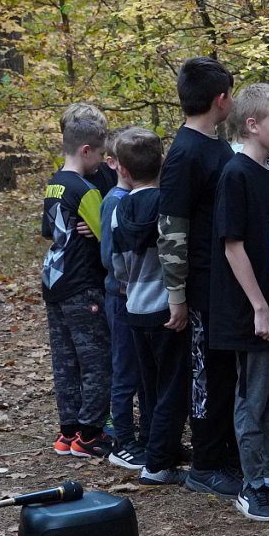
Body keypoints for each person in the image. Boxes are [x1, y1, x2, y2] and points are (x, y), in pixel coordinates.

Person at [157, 57, 242, 498]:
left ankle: (225, 452)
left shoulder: (217, 144)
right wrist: (177, 294)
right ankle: (205, 465)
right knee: (206, 375)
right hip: (201, 286)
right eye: (230, 92)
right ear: (220, 99)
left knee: (225, 372)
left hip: (225, 284)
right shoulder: (185, 153)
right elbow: (171, 227)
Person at [211, 83, 269, 521]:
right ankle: (251, 483)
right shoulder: (236, 173)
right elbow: (233, 247)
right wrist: (259, 307)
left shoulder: (267, 172)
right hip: (247, 312)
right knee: (253, 396)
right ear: (252, 124)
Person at [110, 127, 193, 484]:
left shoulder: (119, 210)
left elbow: (117, 264)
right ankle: (158, 464)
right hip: (167, 308)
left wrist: (128, 289)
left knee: (149, 385)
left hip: (135, 308)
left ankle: (154, 444)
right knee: (174, 385)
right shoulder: (167, 206)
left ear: (123, 170)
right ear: (162, 163)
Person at [42, 104, 113, 458]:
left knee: (65, 361)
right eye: (101, 154)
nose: (103, 161)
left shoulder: (55, 184)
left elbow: (48, 230)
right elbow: (109, 237)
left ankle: (66, 431)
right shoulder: (86, 190)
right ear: (86, 150)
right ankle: (90, 434)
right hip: (83, 284)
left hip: (54, 283)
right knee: (97, 360)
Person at [98, 128, 149, 470]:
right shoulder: (116, 201)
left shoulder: (137, 198)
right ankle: (123, 440)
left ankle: (146, 437)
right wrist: (125, 283)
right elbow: (108, 255)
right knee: (125, 370)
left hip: (137, 298)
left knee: (142, 371)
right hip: (120, 297)